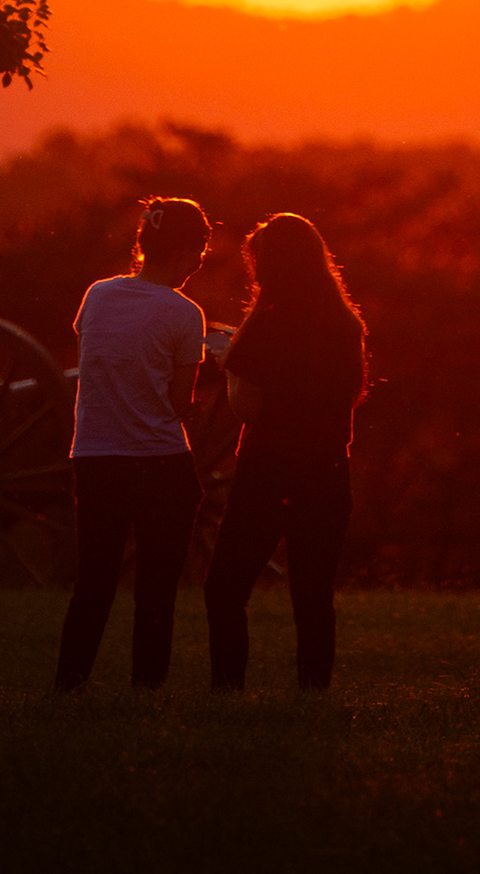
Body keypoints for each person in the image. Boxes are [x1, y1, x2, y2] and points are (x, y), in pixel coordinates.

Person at [204, 213, 367, 691]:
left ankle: (227, 690)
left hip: (268, 470)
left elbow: (249, 408)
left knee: (226, 589)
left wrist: (228, 363)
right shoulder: (344, 323)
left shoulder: (266, 324)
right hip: (328, 470)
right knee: (313, 596)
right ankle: (312, 693)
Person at [53, 196, 209, 692]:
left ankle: (69, 685)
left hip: (95, 456)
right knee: (156, 590)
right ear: (185, 252)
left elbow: (100, 354)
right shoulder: (187, 314)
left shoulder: (96, 295)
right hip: (160, 460)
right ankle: (146, 690)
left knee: (93, 584)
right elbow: (178, 401)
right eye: (199, 254)